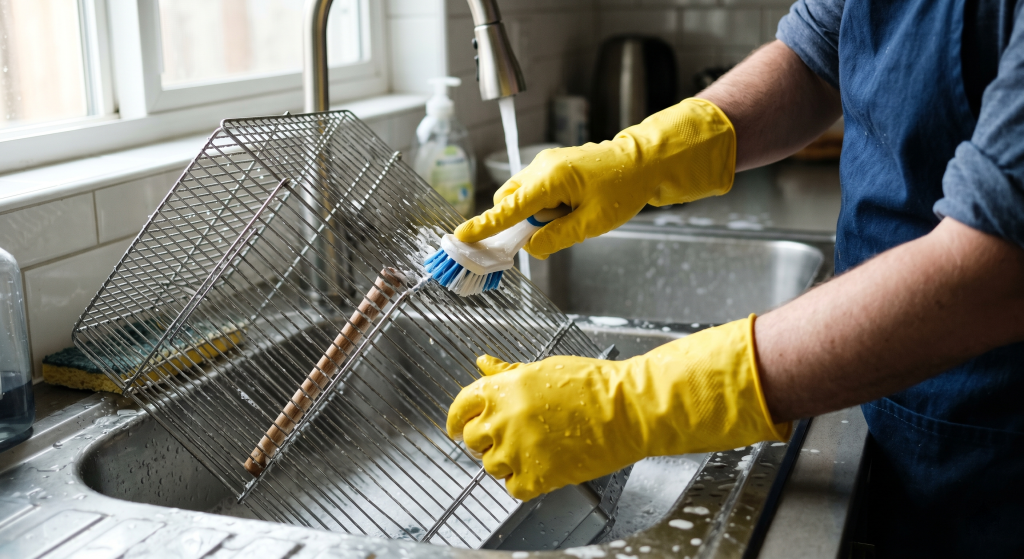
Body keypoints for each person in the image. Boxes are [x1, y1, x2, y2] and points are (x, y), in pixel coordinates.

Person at [443, 0, 1024, 556]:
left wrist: (634, 404)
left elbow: (993, 272)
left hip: (995, 447)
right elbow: (816, 54)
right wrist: (646, 157)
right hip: (891, 396)